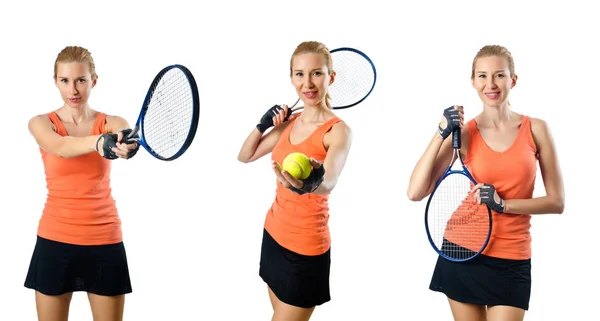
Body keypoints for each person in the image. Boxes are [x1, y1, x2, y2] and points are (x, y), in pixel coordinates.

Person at [407, 45, 565, 321]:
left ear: (513, 80)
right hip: (463, 249)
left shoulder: (536, 129)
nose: (490, 84)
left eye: (499, 76)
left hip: (513, 255)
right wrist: (440, 133)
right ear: (473, 81)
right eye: (482, 76)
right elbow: (415, 192)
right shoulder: (464, 133)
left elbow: (557, 202)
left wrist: (503, 205)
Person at [237, 40, 353, 321]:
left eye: (317, 73)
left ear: (331, 77)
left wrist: (310, 184)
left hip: (305, 246)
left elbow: (330, 181)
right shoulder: (291, 121)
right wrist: (262, 125)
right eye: (299, 74)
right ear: (291, 78)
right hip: (274, 233)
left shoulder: (338, 131)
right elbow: (245, 155)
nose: (308, 83)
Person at [24, 45, 140, 321]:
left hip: (104, 240)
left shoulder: (111, 123)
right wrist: (99, 143)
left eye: (81, 80)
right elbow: (60, 146)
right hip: (55, 239)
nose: (73, 90)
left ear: (94, 81)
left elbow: (123, 133)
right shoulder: (41, 123)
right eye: (65, 81)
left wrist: (125, 145)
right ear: (55, 82)